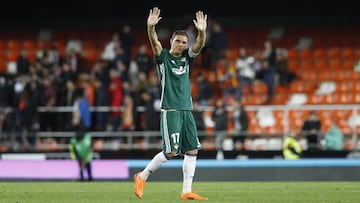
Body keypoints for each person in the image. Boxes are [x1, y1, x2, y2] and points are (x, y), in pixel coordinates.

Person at [134, 7, 208, 201]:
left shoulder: (186, 59)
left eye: (184, 42)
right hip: (171, 110)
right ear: (171, 41)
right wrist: (150, 27)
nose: (182, 45)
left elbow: (199, 46)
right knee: (171, 151)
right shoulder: (163, 58)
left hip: (187, 109)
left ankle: (186, 191)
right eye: (178, 41)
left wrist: (202, 31)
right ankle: (142, 176)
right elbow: (154, 42)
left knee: (192, 150)